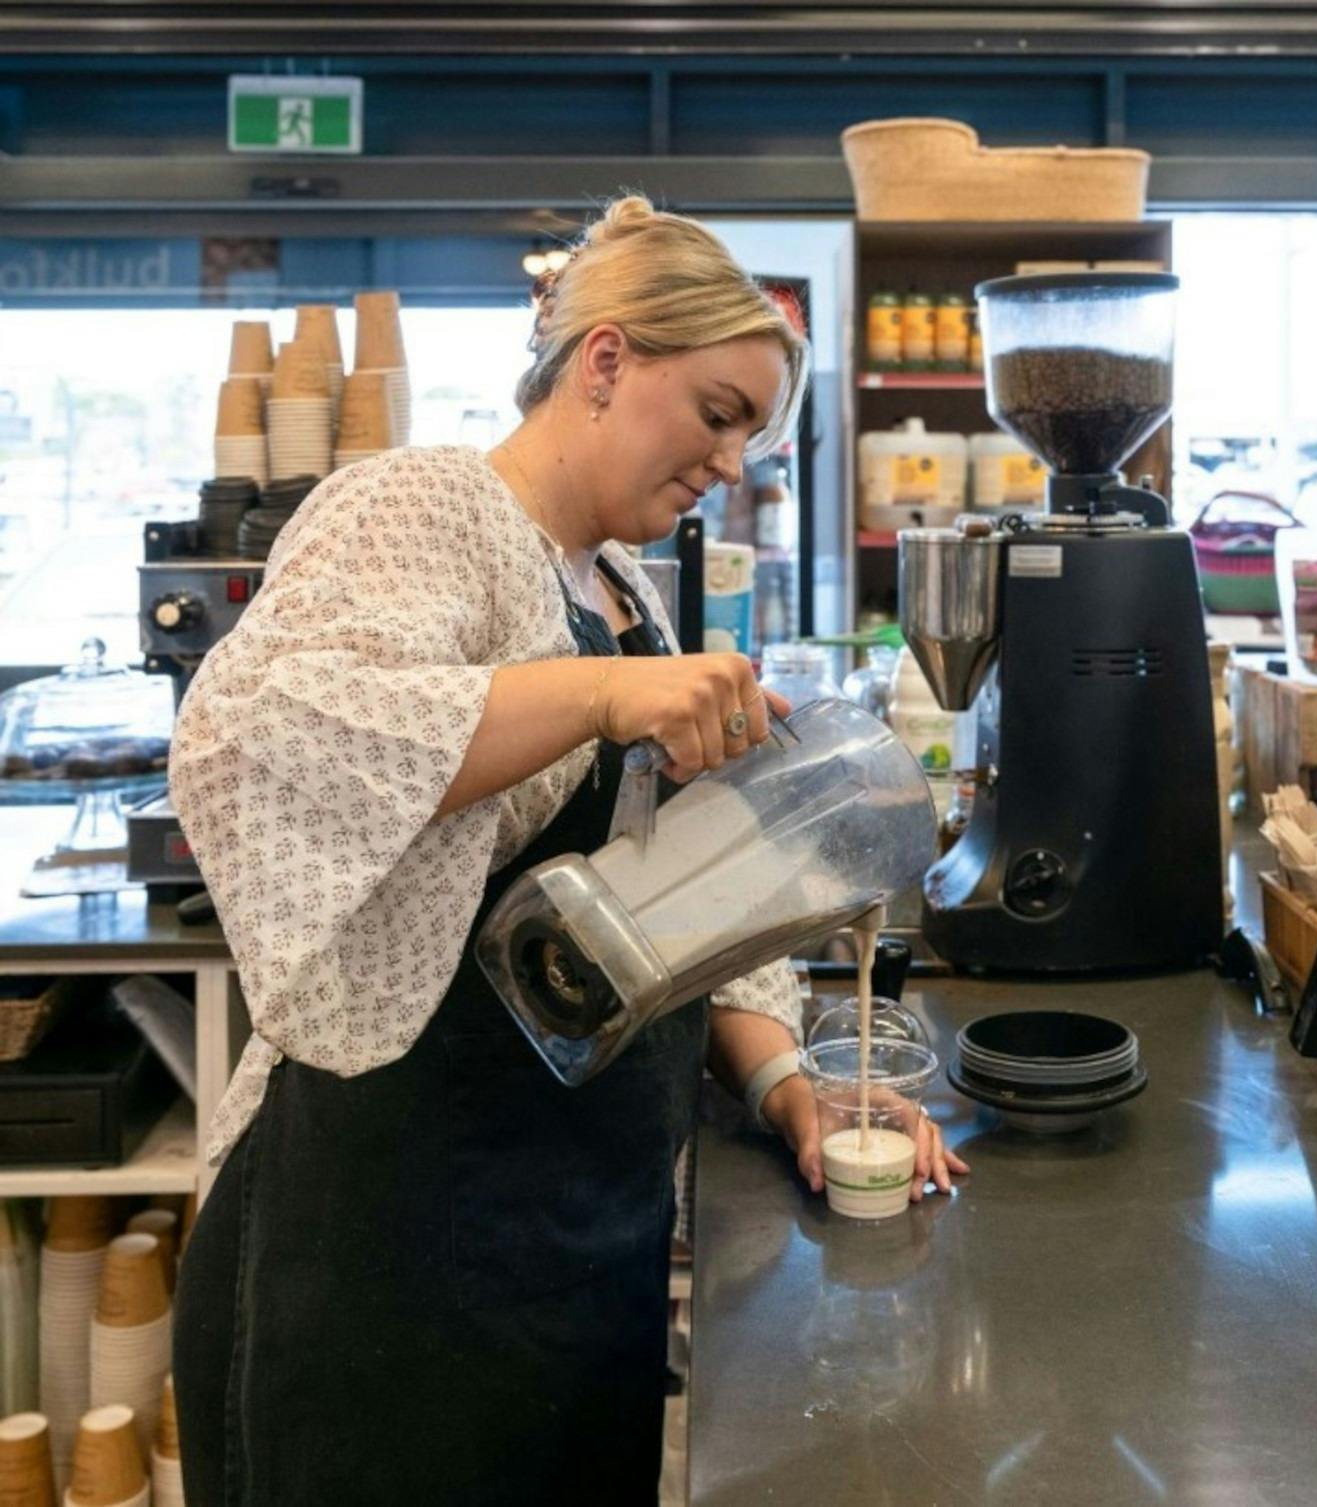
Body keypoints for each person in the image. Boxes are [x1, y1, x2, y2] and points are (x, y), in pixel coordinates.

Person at [168, 195, 967, 1507]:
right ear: (605, 362)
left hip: (576, 1250)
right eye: (718, 414)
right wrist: (601, 701)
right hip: (386, 1262)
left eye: (753, 439)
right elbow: (258, 734)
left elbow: (689, 899)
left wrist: (787, 1093)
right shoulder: (425, 508)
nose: (732, 463)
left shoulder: (624, 592)